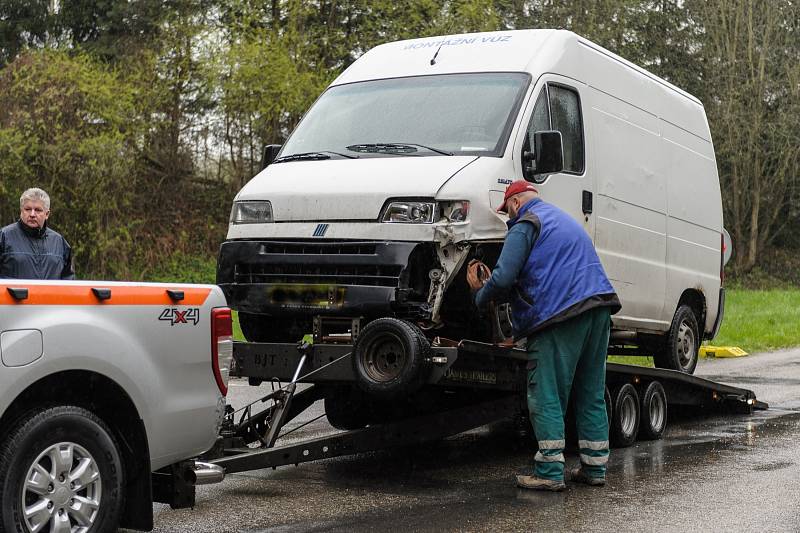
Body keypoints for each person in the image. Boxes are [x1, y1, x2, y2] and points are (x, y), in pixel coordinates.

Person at [467, 180, 620, 491]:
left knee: (547, 391)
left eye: (507, 212)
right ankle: (594, 468)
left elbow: (505, 277)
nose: (508, 218)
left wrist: (479, 296)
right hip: (599, 307)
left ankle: (549, 471)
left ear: (513, 203)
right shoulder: (563, 220)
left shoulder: (525, 223)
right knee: (590, 392)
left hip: (560, 315)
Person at [0, 188, 75, 280]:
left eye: (38, 210)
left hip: (50, 295)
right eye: (27, 209)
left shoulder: (59, 243)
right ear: (21, 211)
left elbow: (68, 282)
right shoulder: (4, 237)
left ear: (47, 214)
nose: (32, 214)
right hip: (14, 295)